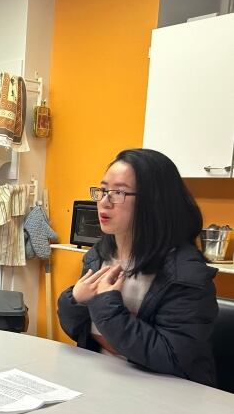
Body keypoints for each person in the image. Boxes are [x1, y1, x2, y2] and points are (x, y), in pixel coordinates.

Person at [57, 148, 218, 386]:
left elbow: (172, 358)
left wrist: (107, 309)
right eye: (103, 190)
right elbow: (81, 332)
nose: (104, 201)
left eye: (119, 192)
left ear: (154, 201)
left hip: (165, 397)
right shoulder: (99, 255)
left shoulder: (186, 274)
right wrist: (74, 301)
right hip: (104, 381)